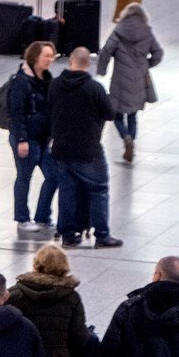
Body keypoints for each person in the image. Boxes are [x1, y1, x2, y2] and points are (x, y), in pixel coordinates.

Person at [48, 47, 122, 248]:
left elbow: (49, 110)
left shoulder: (54, 85)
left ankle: (69, 235)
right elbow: (109, 114)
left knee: (67, 192)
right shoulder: (94, 88)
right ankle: (102, 235)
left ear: (70, 61)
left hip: (61, 149)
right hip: (89, 151)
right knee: (99, 191)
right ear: (88, 64)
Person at [96, 2, 163, 164]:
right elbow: (158, 52)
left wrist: (102, 70)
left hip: (120, 79)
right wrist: (148, 64)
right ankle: (131, 140)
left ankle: (126, 138)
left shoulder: (119, 31)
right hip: (139, 79)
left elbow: (106, 52)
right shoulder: (147, 32)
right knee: (133, 115)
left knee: (117, 115)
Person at [7, 41, 58, 234]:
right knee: (24, 177)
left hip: (44, 138)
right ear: (35, 56)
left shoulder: (47, 78)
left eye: (52, 56)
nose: (50, 60)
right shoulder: (21, 81)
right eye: (46, 55)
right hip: (27, 138)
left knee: (54, 176)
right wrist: (21, 139)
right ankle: (22, 218)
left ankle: (43, 216)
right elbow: (16, 112)